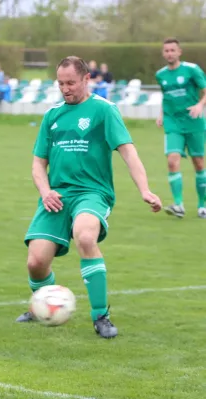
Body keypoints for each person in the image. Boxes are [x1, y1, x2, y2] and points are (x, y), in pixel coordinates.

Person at [17, 56, 162, 339]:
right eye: (60, 83)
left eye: (71, 82)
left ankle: (101, 316)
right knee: (35, 263)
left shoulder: (104, 110)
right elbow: (38, 164)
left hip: (92, 193)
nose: (65, 88)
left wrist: (144, 189)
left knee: (85, 237)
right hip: (57, 195)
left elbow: (128, 151)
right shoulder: (52, 115)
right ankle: (43, 305)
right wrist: (45, 192)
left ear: (86, 79)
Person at [155, 37, 206, 219]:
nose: (169, 53)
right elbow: (165, 96)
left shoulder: (192, 70)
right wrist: (161, 114)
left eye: (172, 50)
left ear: (179, 52)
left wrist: (200, 105)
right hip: (173, 123)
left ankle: (202, 205)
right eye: (166, 50)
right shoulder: (160, 74)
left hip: (194, 122)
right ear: (163, 53)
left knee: (199, 163)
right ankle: (179, 205)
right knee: (172, 161)